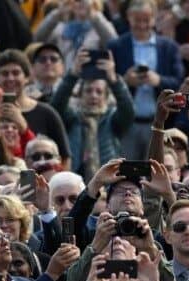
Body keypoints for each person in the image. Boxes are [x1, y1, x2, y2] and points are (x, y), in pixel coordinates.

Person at [107, 0, 184, 163]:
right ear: (128, 18)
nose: (142, 25)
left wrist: (158, 81)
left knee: (156, 170)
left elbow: (179, 83)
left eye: (146, 20)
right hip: (127, 124)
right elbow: (106, 81)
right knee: (126, 171)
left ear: (154, 18)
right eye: (137, 20)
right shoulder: (116, 46)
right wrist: (125, 81)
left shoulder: (169, 47)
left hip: (160, 122)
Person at [50, 48, 134, 181]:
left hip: (108, 182)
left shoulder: (112, 120)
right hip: (76, 181)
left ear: (106, 97)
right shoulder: (72, 118)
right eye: (88, 91)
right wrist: (72, 75)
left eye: (99, 92)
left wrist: (114, 80)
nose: (93, 96)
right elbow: (56, 106)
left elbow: (128, 111)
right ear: (80, 95)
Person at [0, 49, 71, 167]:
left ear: (27, 78)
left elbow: (64, 158)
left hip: (38, 181)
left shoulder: (46, 112)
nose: (10, 78)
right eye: (4, 73)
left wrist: (23, 127)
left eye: (16, 73)